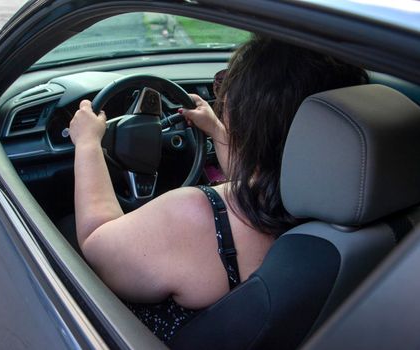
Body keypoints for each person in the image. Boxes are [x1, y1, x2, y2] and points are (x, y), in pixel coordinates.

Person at [67, 36, 368, 341]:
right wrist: (215, 131)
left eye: (227, 91)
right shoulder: (350, 209)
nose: (223, 102)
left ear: (250, 120)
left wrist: (88, 143)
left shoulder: (196, 215)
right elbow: (257, 172)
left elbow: (95, 242)